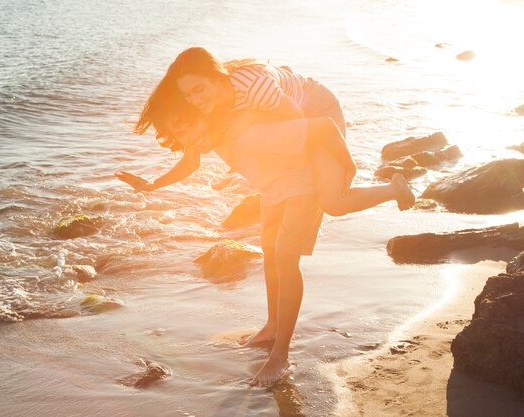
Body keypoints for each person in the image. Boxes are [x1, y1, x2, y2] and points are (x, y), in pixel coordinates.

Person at [116, 50, 415, 388]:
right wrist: (153, 184)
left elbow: (319, 128)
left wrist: (347, 164)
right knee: (270, 251)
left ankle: (281, 356)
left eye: (199, 92)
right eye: (189, 99)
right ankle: (272, 327)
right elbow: (191, 157)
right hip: (278, 177)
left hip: (309, 139)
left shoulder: (249, 122)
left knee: (309, 230)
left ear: (216, 79)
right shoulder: (211, 119)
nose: (195, 105)